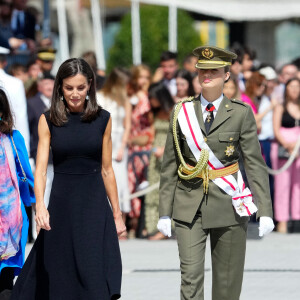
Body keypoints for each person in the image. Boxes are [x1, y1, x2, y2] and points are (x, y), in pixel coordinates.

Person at [157, 46, 274, 300]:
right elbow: (169, 166)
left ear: (227, 75)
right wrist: (164, 211)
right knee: (190, 280)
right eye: (202, 70)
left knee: (227, 283)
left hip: (229, 205)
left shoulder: (241, 113)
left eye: (214, 71)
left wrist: (264, 210)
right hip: (189, 205)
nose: (207, 75)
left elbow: (254, 163)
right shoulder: (181, 112)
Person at [11, 58, 125, 299]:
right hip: (62, 204)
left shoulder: (103, 118)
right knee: (61, 273)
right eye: (69, 87)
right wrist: (40, 206)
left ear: (90, 86)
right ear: (60, 87)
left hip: (94, 203)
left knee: (94, 270)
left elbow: (107, 170)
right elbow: (40, 170)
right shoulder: (48, 119)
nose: (75, 94)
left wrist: (117, 214)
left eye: (81, 88)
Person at [0, 88, 35, 298]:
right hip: (12, 220)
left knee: (4, 278)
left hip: (10, 220)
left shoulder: (14, 137)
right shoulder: (13, 138)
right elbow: (27, 176)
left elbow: (26, 175)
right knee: (4, 277)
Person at [97, 67, 131, 235]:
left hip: (119, 144)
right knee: (105, 180)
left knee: (121, 183)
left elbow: (127, 126)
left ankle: (121, 222)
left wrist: (122, 147)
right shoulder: (100, 97)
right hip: (104, 139)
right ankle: (106, 223)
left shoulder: (124, 99)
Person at [144, 82, 174, 240]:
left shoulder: (173, 110)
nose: (150, 100)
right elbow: (151, 132)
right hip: (155, 155)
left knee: (167, 190)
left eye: (152, 97)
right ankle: (153, 226)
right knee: (153, 192)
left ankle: (166, 229)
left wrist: (165, 149)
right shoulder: (155, 112)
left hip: (169, 152)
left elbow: (177, 134)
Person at [27, 72, 55, 240]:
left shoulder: (60, 103)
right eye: (45, 84)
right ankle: (37, 232)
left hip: (56, 157)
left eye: (51, 84)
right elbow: (28, 128)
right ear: (39, 86)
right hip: (38, 155)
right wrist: (31, 152)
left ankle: (52, 229)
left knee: (53, 194)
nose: (49, 87)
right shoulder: (31, 103)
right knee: (40, 194)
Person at [127, 64, 153, 238]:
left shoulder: (148, 98)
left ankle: (140, 225)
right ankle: (131, 223)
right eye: (140, 77)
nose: (143, 81)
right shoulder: (130, 96)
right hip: (130, 146)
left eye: (146, 77)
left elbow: (150, 125)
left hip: (144, 145)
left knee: (143, 183)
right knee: (130, 185)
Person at [272, 78, 300, 234]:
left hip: (299, 148)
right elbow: (276, 129)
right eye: (292, 87)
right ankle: (282, 219)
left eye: (298, 87)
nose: (295, 90)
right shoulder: (280, 107)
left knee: (298, 185)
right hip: (284, 149)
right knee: (283, 185)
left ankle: (296, 217)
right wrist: (288, 145)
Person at [0, 47, 30, 152]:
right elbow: (21, 117)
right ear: (5, 62)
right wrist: (24, 149)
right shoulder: (15, 83)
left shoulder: (16, 83)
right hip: (9, 143)